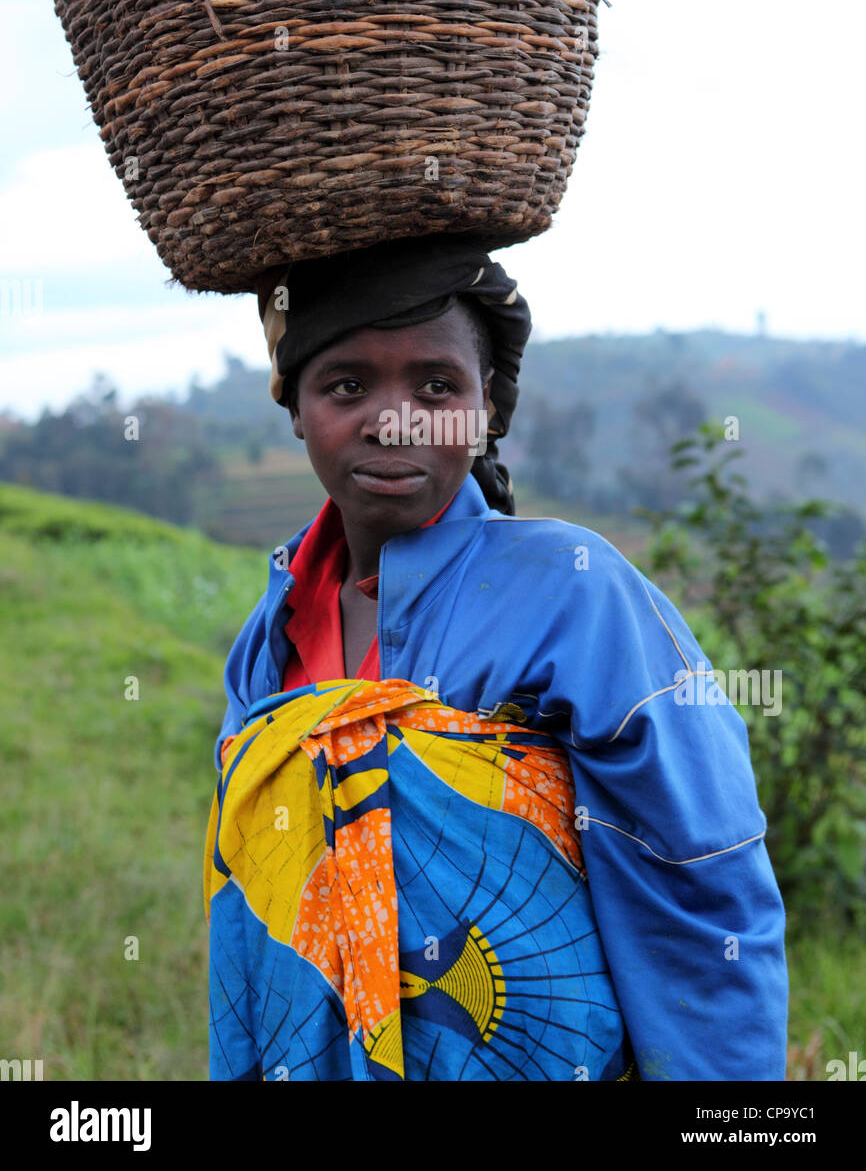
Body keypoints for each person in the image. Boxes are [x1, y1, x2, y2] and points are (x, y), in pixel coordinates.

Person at [204, 238, 788, 1082]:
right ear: (295, 406)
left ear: (485, 408)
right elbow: (249, 903)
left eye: (437, 387)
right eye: (346, 385)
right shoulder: (271, 637)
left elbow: (699, 880)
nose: (394, 418)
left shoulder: (576, 599)